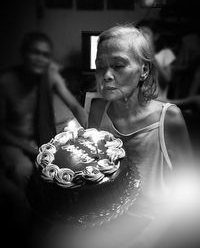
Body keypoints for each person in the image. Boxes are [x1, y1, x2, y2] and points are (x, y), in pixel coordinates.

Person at [88, 24, 198, 247]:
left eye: (118, 65)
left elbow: (189, 191)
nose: (106, 75)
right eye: (100, 66)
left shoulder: (169, 119)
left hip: (156, 227)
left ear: (144, 70)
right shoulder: (97, 110)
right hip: (109, 223)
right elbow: (98, 173)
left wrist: (148, 237)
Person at [0, 31, 87, 193]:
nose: (40, 59)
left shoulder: (50, 76)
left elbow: (74, 106)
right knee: (24, 169)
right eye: (35, 52)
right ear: (24, 53)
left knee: (69, 164)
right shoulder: (6, 82)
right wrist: (32, 149)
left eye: (45, 55)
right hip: (13, 141)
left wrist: (91, 131)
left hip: (41, 137)